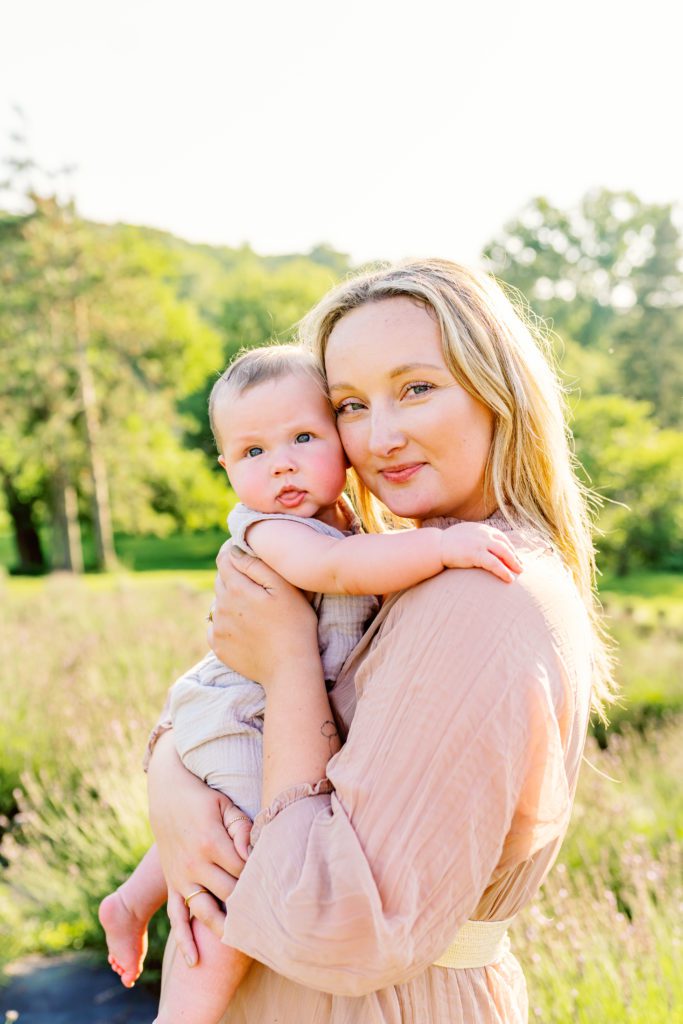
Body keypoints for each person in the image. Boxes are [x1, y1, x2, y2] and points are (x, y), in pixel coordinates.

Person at [146, 259, 615, 1024]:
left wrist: (288, 659)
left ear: (497, 391)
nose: (381, 436)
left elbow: (337, 924)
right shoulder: (405, 566)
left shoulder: (480, 589)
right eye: (351, 405)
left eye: (417, 389)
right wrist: (170, 778)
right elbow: (267, 732)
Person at [100, 342, 522, 1023]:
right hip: (241, 708)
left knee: (218, 822)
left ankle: (128, 900)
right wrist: (442, 548)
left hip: (259, 708)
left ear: (340, 441)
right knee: (235, 869)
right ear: (227, 468)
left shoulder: (343, 523)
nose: (283, 463)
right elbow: (338, 572)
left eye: (302, 437)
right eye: (253, 453)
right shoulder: (275, 530)